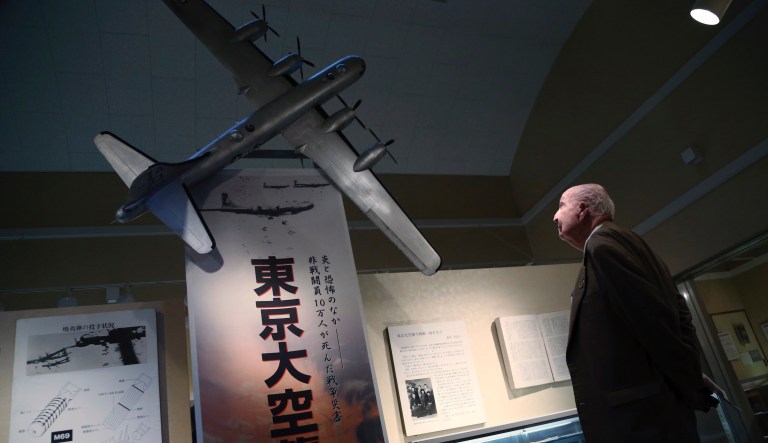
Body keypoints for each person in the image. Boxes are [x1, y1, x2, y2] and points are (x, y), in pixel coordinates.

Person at [552, 183, 716, 442]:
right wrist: (690, 373)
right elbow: (679, 315)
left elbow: (654, 322)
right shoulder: (629, 243)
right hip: (654, 412)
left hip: (642, 421)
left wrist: (691, 382)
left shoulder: (601, 247)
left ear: (583, 210)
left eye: (561, 206)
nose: (555, 216)